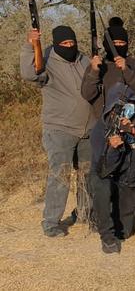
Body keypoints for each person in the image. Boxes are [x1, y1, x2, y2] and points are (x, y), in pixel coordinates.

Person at [20, 26, 95, 237]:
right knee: (60, 175)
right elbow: (28, 74)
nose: (69, 47)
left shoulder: (83, 60)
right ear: (56, 44)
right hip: (60, 130)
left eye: (72, 43)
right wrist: (29, 45)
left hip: (88, 129)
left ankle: (84, 213)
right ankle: (51, 222)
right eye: (64, 44)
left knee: (86, 175)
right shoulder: (45, 59)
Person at [89, 83, 135, 253]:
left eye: (128, 107)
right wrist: (113, 149)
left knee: (126, 230)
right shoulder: (99, 130)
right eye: (117, 109)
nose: (124, 113)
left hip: (133, 180)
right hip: (109, 178)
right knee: (101, 186)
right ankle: (107, 237)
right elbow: (103, 170)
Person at [81, 21, 135, 119]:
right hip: (102, 123)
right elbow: (87, 95)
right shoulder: (97, 65)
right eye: (114, 43)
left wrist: (126, 70)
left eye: (121, 42)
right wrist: (94, 72)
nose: (118, 46)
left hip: (132, 123)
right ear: (106, 44)